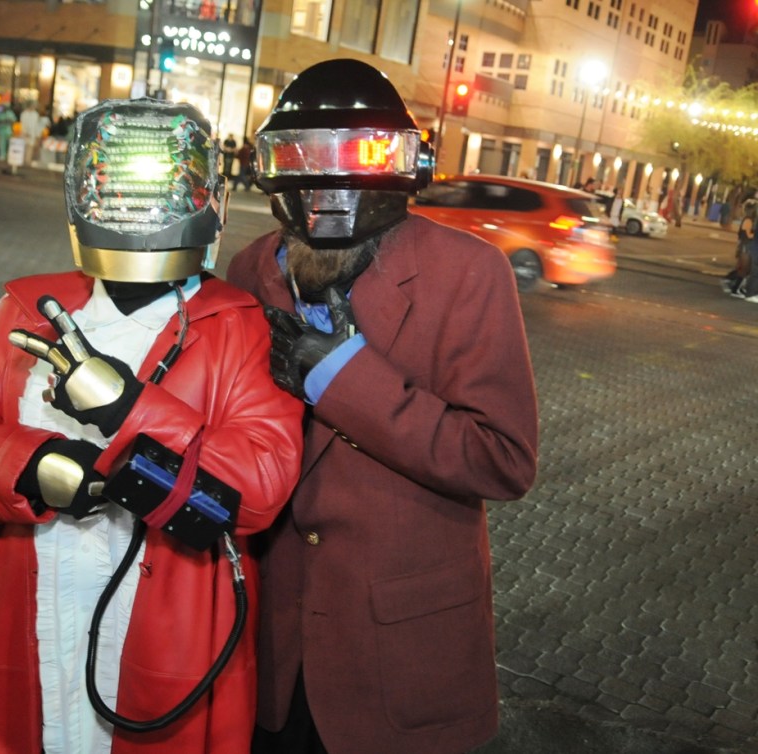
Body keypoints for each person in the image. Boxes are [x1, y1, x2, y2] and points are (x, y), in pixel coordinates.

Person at [0, 98, 304, 754]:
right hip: (30, 597)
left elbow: (259, 485)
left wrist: (128, 411)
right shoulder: (28, 311)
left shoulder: (237, 326)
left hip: (171, 617)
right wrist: (32, 467)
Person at [226, 59, 539, 754]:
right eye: (301, 155)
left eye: (355, 152)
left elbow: (503, 460)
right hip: (273, 645)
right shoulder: (249, 267)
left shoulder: (468, 273)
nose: (324, 178)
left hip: (400, 647)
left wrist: (340, 375)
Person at [19, 100, 43, 165]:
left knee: (30, 148)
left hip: (32, 134)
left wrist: (37, 135)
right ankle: (23, 162)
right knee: (24, 148)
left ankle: (27, 162)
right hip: (25, 134)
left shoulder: (35, 114)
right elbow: (23, 124)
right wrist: (25, 132)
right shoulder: (24, 114)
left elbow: (36, 125)